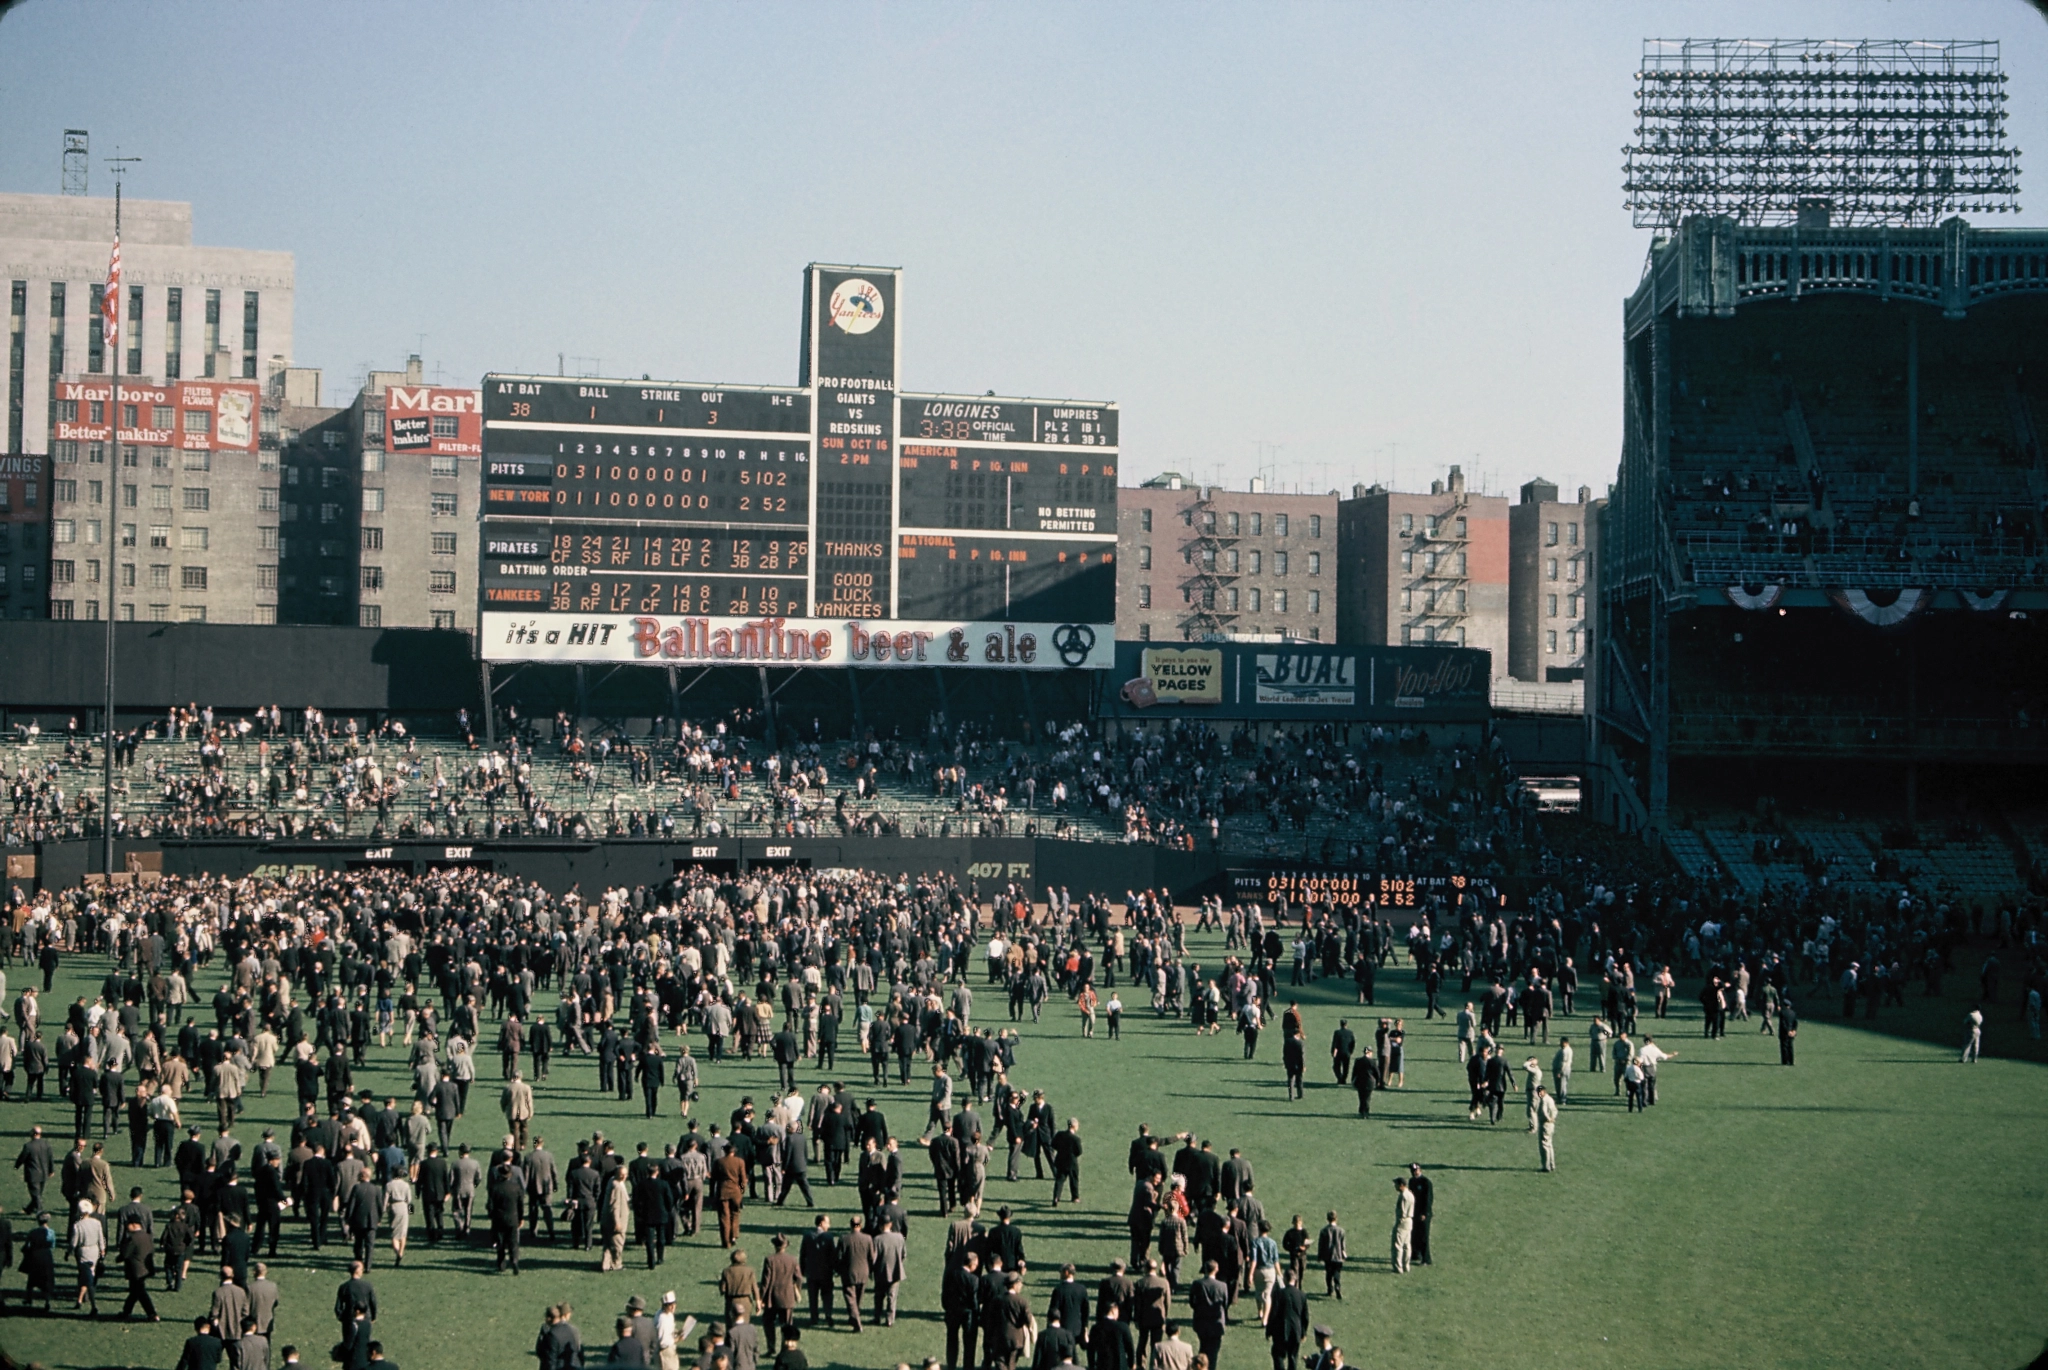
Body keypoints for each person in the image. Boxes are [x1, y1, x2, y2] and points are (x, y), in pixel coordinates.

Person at [1263, 1268, 1309, 1370]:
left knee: (1278, 1355)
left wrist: (1269, 1330)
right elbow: (1305, 1317)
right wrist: (1303, 1332)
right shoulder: (1302, 1295)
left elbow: (1273, 1313)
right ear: (1295, 1279)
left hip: (1280, 1330)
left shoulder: (1278, 1294)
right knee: (1293, 1357)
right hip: (1295, 1330)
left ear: (1285, 1279)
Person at [1405, 1164, 1433, 1266]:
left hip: (1424, 1214)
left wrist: (1425, 1213)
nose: (1414, 1172)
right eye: (1412, 1170)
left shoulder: (1426, 1182)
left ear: (1420, 1169)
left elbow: (1428, 1199)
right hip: (1414, 1213)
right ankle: (1416, 1254)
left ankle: (1426, 1259)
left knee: (1424, 1236)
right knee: (1414, 1234)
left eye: (1416, 1170)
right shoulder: (1412, 1181)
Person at [1315, 1211, 1346, 1300]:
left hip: (1328, 1256)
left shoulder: (1324, 1231)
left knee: (1328, 1273)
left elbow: (1321, 1244)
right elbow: (1343, 1245)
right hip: (1338, 1255)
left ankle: (1329, 1289)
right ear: (1336, 1218)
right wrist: (1344, 1254)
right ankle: (1337, 1285)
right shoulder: (1341, 1231)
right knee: (1337, 1272)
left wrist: (1319, 1256)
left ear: (1327, 1219)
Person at [1388, 1179, 1413, 1275]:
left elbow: (1401, 1211)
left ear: (1401, 1185)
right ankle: (1406, 1266)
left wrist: (1398, 1222)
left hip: (1402, 1221)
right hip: (1409, 1221)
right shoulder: (1410, 1194)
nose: (1395, 1186)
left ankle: (1398, 1267)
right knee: (1407, 1245)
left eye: (1396, 1184)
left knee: (1398, 1245)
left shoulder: (1403, 1196)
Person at [1534, 1085, 1558, 1172]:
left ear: (1543, 1091)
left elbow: (1543, 1111)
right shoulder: (1550, 1099)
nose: (1539, 1094)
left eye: (1540, 1092)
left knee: (1544, 1145)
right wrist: (1553, 1118)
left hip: (1545, 1124)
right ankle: (1552, 1164)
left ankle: (1546, 1166)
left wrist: (1548, 1118)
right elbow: (1555, 1110)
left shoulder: (1544, 1100)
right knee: (1549, 1145)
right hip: (1551, 1125)